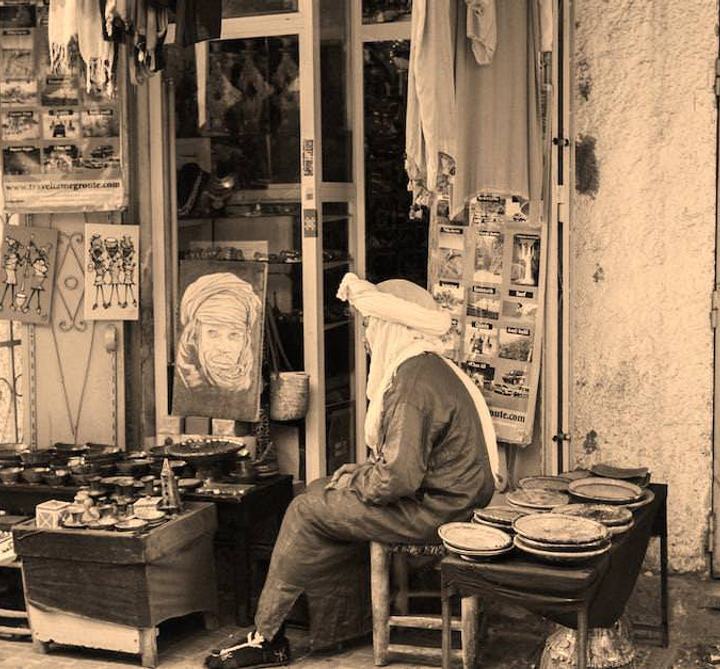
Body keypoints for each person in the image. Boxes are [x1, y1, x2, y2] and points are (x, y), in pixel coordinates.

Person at [209, 273, 501, 669]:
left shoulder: (412, 382)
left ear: (390, 329)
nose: (366, 338)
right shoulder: (428, 367)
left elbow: (398, 479)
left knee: (305, 509)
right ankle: (346, 624)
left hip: (436, 512)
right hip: (451, 500)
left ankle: (267, 636)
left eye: (370, 326)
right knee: (320, 487)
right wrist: (360, 474)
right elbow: (409, 463)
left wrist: (361, 479)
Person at [176, 273, 262, 393]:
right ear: (195, 336)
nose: (223, 347)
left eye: (234, 335)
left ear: (245, 340)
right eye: (213, 333)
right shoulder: (186, 382)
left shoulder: (248, 384)